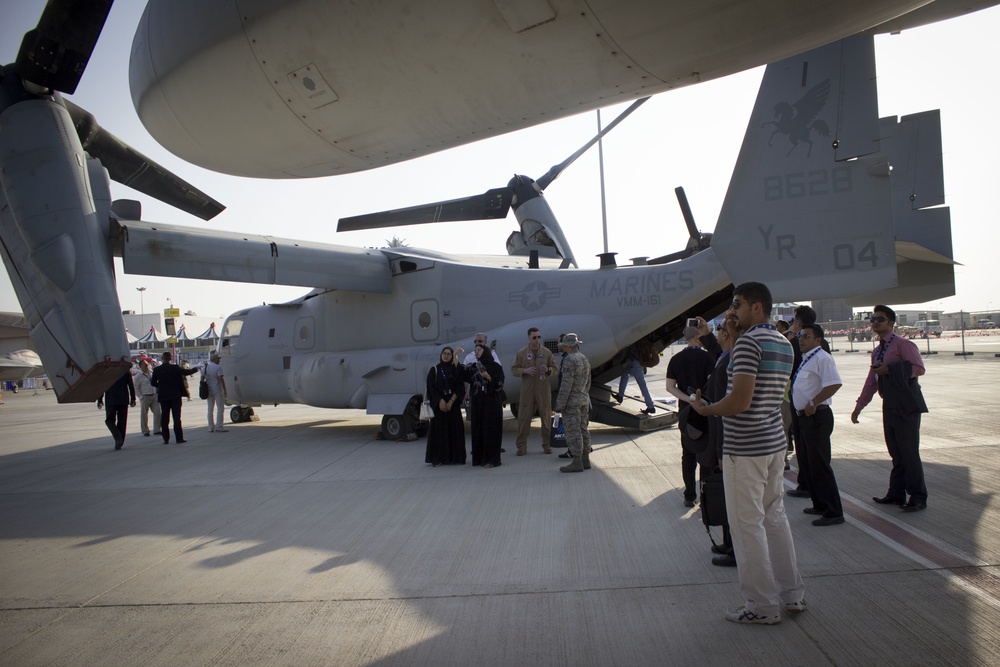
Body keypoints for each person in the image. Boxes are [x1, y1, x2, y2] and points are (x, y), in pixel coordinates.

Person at [691, 282, 805, 625]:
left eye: (737, 305)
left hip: (746, 447)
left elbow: (740, 401)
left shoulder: (747, 345)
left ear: (757, 308)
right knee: (775, 518)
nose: (731, 312)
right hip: (772, 444)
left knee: (746, 525)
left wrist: (706, 409)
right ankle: (792, 594)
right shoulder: (783, 343)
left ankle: (762, 604)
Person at [851, 305, 928, 511]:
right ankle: (896, 493)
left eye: (880, 319)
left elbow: (919, 368)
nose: (875, 322)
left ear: (891, 323)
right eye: (873, 319)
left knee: (909, 452)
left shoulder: (903, 344)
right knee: (896, 452)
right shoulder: (877, 351)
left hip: (906, 404)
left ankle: (918, 496)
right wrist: (859, 407)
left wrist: (891, 369)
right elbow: (872, 381)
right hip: (890, 404)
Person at [791, 324, 845, 526]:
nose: (801, 339)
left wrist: (813, 402)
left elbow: (834, 383)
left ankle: (833, 511)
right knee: (811, 464)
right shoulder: (808, 359)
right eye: (800, 336)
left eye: (806, 336)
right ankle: (820, 504)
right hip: (805, 418)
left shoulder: (822, 358)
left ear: (818, 340)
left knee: (820, 465)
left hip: (817, 417)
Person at [697, 317, 737, 567]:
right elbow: (716, 351)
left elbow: (726, 411)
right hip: (716, 435)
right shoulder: (725, 356)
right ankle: (728, 542)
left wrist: (722, 450)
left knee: (731, 497)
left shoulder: (731, 361)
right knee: (725, 496)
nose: (718, 332)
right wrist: (706, 334)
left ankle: (735, 550)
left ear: (728, 334)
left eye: (721, 329)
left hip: (723, 436)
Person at [785, 305, 831, 499]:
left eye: (795, 321)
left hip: (811, 409)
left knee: (808, 450)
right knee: (806, 448)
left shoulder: (801, 344)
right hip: (803, 405)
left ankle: (810, 486)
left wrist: (813, 403)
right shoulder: (817, 344)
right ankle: (811, 487)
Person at [664, 326, 714, 507]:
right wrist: (700, 400)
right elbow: (712, 383)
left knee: (688, 454)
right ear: (698, 338)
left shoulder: (676, 359)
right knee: (706, 453)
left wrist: (689, 399)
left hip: (686, 411)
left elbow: (670, 387)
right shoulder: (708, 358)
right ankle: (706, 495)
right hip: (705, 409)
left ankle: (689, 495)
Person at [510, 327, 559, 456]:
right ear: (529, 338)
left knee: (546, 416)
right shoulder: (521, 353)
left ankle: (547, 444)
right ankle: (521, 446)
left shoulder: (546, 352)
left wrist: (548, 369)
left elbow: (555, 368)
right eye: (534, 337)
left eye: (539, 337)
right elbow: (514, 370)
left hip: (543, 388)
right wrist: (525, 371)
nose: (537, 340)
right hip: (527, 389)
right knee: (524, 418)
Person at [462, 344, 505, 468]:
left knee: (490, 430)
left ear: (485, 351)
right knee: (478, 429)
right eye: (475, 350)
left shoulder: (496, 367)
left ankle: (491, 460)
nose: (476, 352)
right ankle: (479, 458)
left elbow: (500, 385)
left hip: (491, 404)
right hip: (478, 404)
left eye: (479, 349)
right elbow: (461, 372)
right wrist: (454, 356)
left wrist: (488, 378)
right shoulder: (475, 367)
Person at [553, 333, 591, 473]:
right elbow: (588, 382)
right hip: (583, 399)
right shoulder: (583, 358)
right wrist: (583, 394)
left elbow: (566, 384)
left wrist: (559, 403)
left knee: (573, 431)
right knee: (583, 429)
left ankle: (576, 461)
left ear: (567, 346)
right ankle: (585, 459)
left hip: (572, 402)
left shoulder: (569, 360)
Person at [424, 347, 466, 466]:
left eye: (449, 354)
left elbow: (460, 387)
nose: (446, 356)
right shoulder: (435, 370)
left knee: (455, 432)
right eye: (444, 353)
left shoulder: (455, 370)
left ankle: (455, 458)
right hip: (439, 408)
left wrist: (451, 401)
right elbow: (431, 388)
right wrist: (440, 401)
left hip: (453, 407)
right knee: (439, 433)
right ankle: (439, 458)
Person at [151, 351, 200, 444]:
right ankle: (179, 438)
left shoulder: (157, 370)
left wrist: (161, 386)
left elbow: (153, 383)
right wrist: (195, 369)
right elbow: (185, 372)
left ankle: (166, 438)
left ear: (162, 358)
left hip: (163, 396)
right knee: (177, 417)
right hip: (175, 395)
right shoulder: (175, 368)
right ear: (170, 359)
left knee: (165, 417)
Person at [613, 339, 656, 414]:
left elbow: (623, 353)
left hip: (634, 364)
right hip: (635, 363)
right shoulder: (637, 340)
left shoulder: (629, 341)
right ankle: (620, 395)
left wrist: (615, 360)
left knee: (642, 385)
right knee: (624, 374)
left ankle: (651, 406)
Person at [98, 370, 137, 450]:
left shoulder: (106, 372)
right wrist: (133, 398)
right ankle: (120, 441)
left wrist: (100, 399)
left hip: (111, 399)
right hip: (123, 399)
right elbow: (131, 385)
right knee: (122, 421)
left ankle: (118, 437)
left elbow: (102, 386)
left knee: (109, 420)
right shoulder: (125, 371)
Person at [134, 359, 161, 437]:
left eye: (147, 364)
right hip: (145, 396)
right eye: (145, 365)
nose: (147, 366)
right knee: (144, 415)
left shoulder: (152, 373)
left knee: (158, 413)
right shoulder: (138, 376)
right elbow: (136, 387)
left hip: (154, 395)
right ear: (140, 366)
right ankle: (145, 430)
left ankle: (156, 429)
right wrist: (140, 397)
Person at [204, 353, 229, 433]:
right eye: (218, 359)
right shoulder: (218, 367)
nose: (219, 360)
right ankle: (219, 426)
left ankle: (211, 427)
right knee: (220, 407)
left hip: (208, 390)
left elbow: (202, 379)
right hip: (217, 389)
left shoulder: (205, 367)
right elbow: (221, 379)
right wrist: (225, 390)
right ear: (214, 359)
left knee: (210, 409)